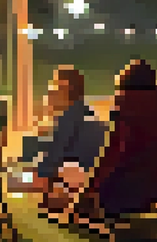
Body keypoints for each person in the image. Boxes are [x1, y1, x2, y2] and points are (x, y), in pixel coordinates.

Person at [19, 66, 107, 211]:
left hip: (73, 190)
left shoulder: (69, 119)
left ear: (65, 88)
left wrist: (20, 178)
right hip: (85, 188)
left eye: (53, 87)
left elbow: (46, 168)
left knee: (16, 183)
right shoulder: (86, 114)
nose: (49, 93)